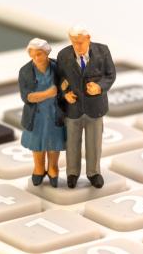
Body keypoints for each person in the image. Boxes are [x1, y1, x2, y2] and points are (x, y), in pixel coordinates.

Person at [57, 26, 116, 189]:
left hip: (95, 107)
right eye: (74, 42)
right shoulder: (63, 55)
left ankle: (94, 173)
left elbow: (110, 75)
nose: (77, 46)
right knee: (72, 144)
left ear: (88, 38)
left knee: (94, 142)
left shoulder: (102, 51)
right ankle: (72, 173)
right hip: (73, 108)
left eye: (80, 42)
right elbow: (59, 78)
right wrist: (65, 93)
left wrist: (99, 87)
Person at [18, 38, 65, 187]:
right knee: (37, 145)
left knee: (54, 144)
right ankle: (38, 168)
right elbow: (27, 97)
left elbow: (66, 84)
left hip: (55, 113)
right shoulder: (25, 71)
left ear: (47, 52)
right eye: (33, 54)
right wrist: (48, 94)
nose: (37, 58)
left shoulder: (57, 67)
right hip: (35, 116)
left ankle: (53, 168)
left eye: (40, 54)